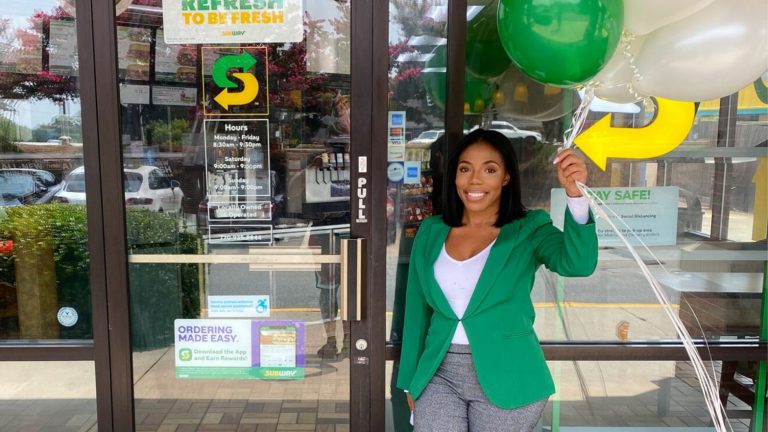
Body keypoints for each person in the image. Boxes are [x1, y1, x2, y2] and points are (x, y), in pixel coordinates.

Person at [396, 129, 598, 432]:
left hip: (509, 374)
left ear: (506, 177)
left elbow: (577, 264)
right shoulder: (431, 231)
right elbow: (417, 311)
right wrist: (411, 380)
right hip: (439, 373)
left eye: (489, 170)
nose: (474, 180)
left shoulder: (529, 229)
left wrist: (576, 196)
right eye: (465, 169)